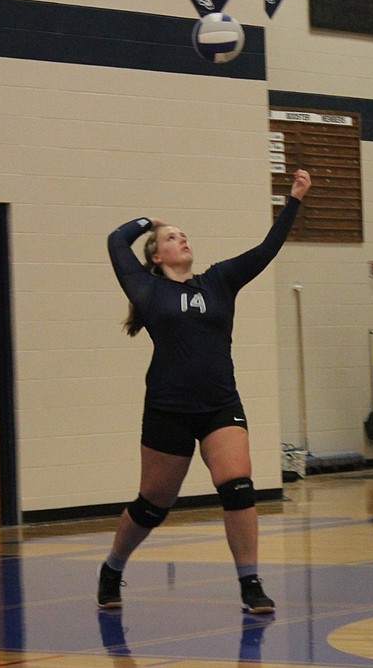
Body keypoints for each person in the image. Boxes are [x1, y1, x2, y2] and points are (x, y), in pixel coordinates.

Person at [98, 169, 312, 614]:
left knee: (238, 487)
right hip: (168, 408)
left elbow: (266, 249)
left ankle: (250, 583)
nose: (183, 240)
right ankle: (113, 569)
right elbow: (116, 241)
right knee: (154, 504)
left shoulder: (218, 281)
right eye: (173, 238)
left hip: (219, 404)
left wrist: (293, 200)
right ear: (157, 257)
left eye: (184, 235)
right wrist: (149, 222)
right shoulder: (146, 288)